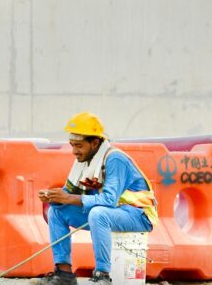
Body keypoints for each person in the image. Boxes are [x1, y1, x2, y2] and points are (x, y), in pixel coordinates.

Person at [37, 112, 158, 285]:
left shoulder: (115, 159)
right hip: (112, 212)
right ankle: (63, 275)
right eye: (72, 145)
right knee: (56, 211)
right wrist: (54, 197)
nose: (74, 151)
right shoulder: (84, 159)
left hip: (137, 214)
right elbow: (70, 192)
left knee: (98, 213)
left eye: (78, 146)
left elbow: (108, 200)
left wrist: (69, 198)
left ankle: (102, 276)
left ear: (94, 143)